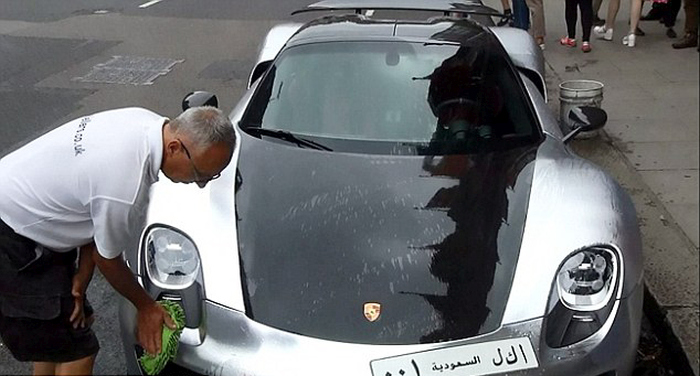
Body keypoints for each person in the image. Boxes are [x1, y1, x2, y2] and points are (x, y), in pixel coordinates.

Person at [0, 106, 236, 375]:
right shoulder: (127, 185)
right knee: (78, 351)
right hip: (13, 233)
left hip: (28, 209)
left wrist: (81, 277)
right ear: (174, 148)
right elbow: (108, 259)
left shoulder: (143, 121)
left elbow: (92, 211)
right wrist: (146, 306)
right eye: (199, 174)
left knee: (59, 337)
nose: (201, 184)